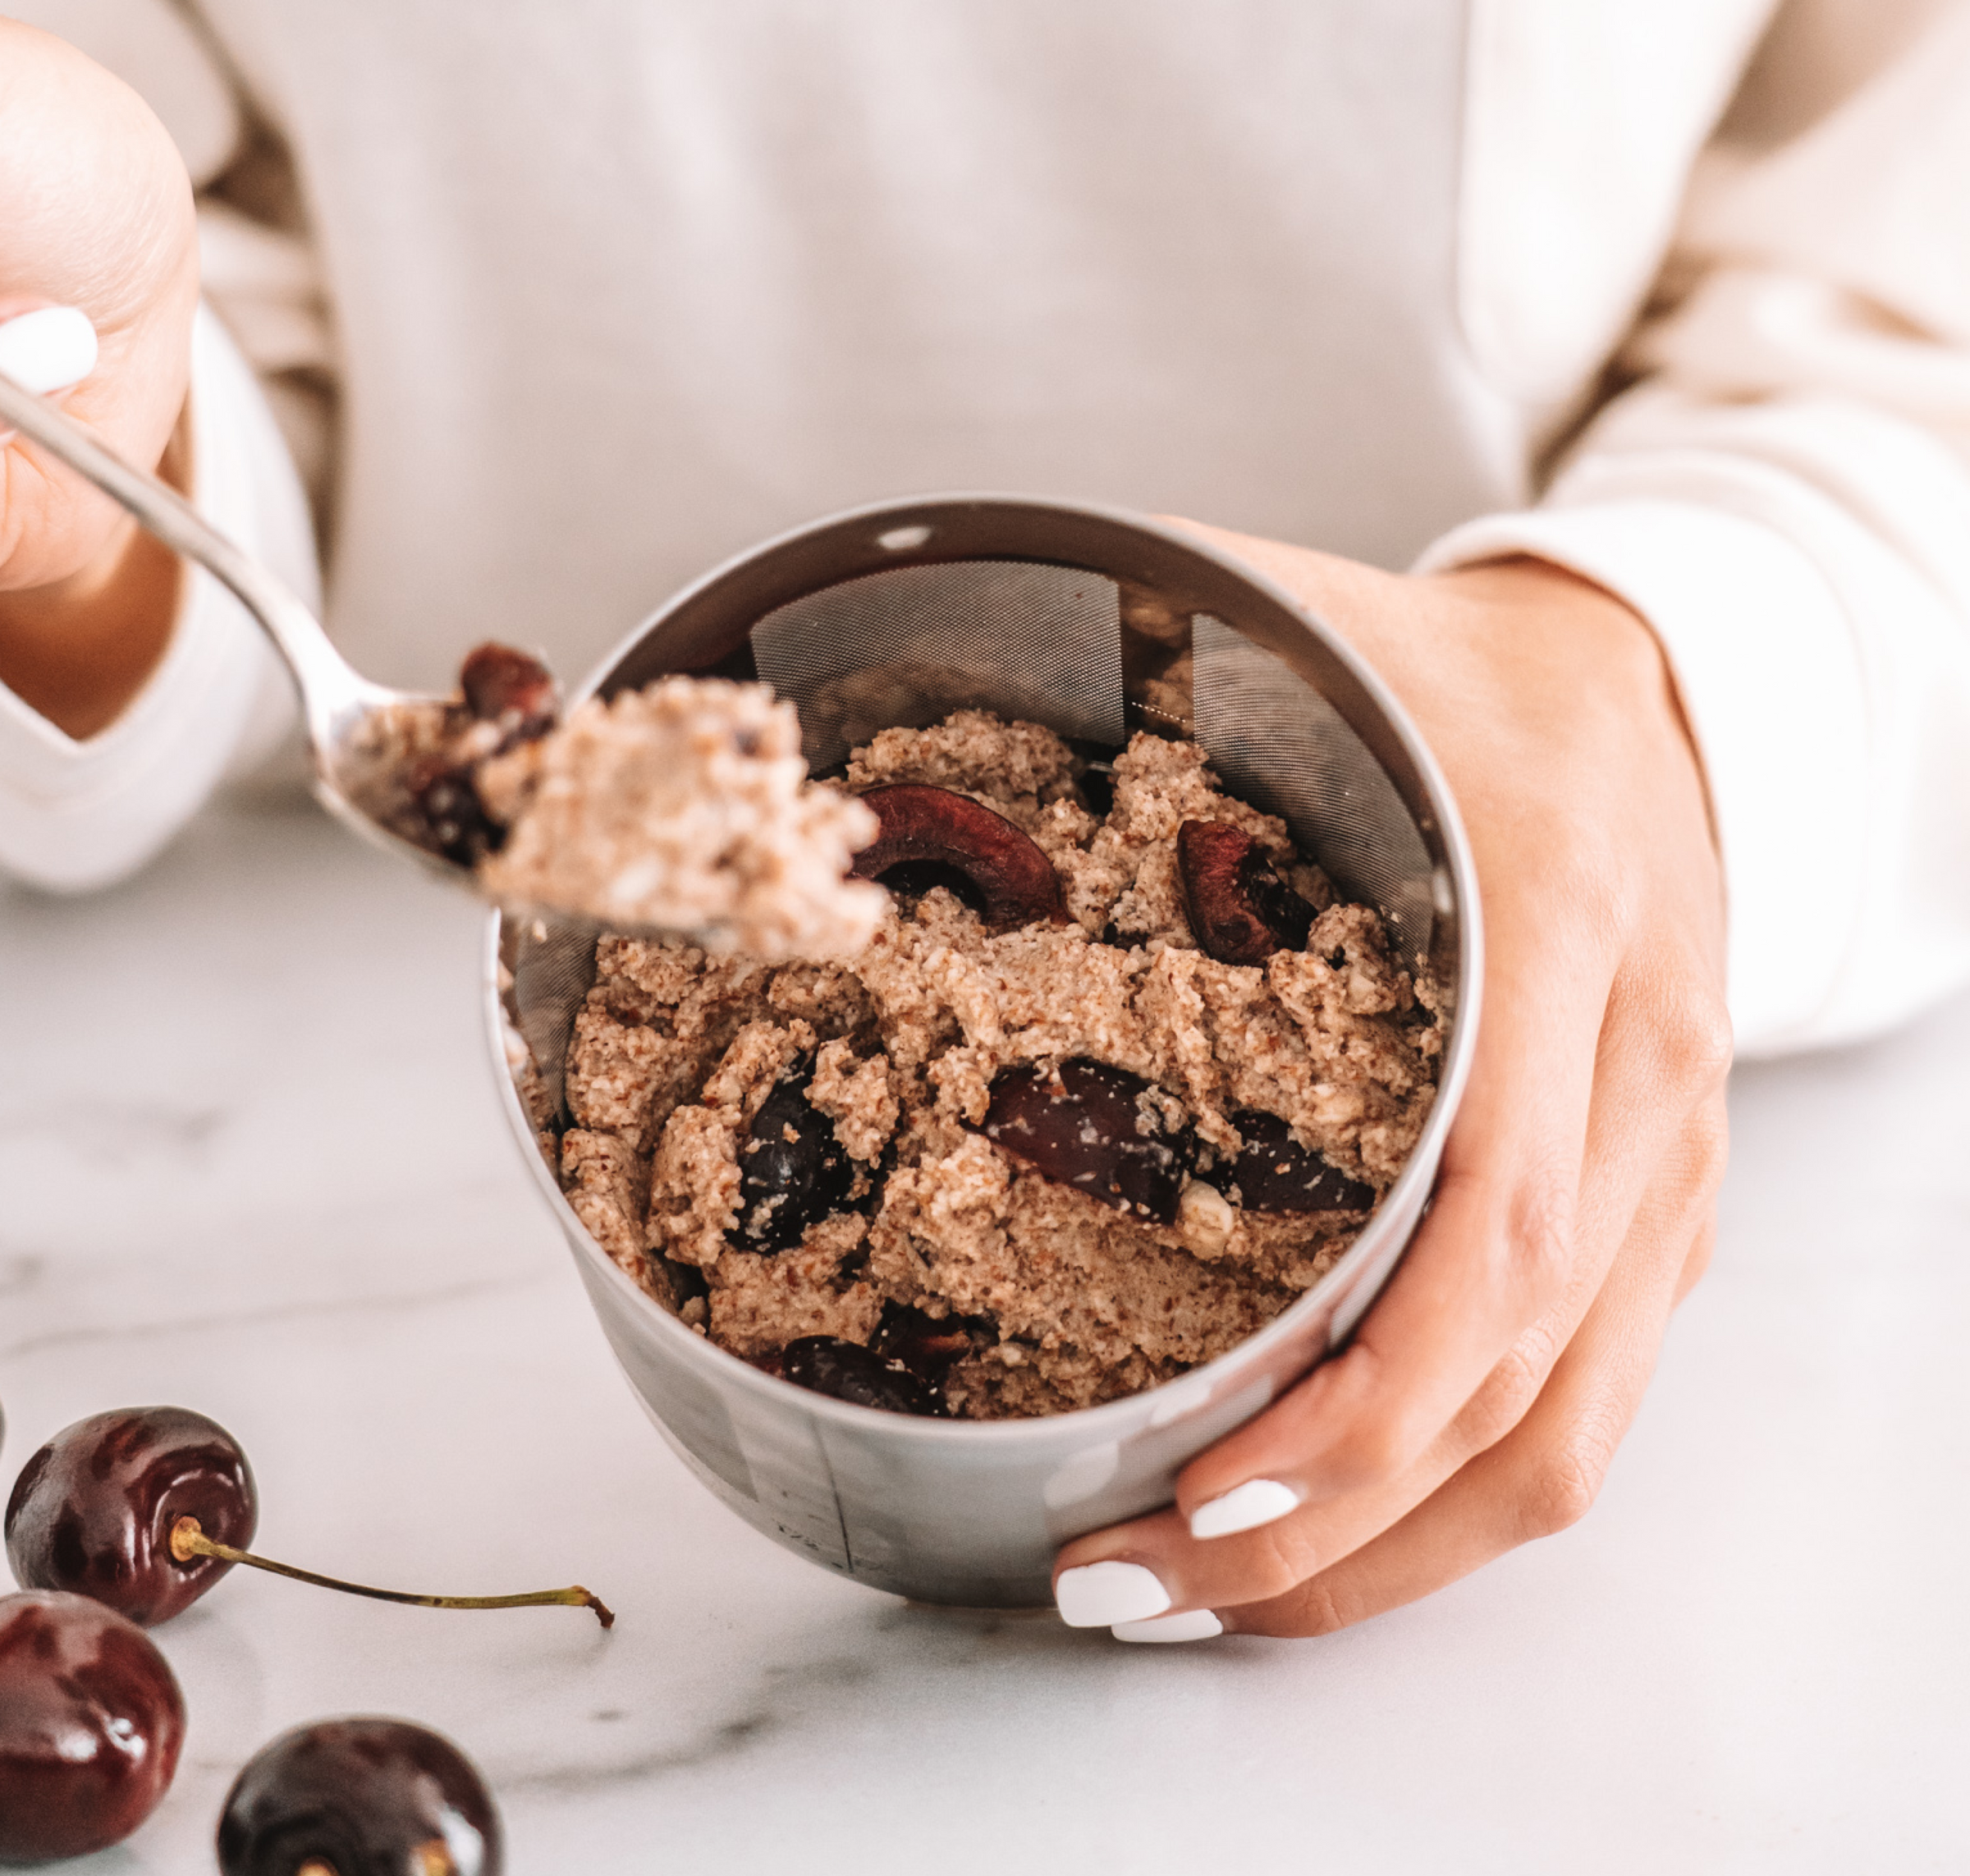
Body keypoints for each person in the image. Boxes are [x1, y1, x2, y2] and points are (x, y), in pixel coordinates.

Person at [2, 1, 1966, 1644]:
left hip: (1538, 880)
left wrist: (1670, 674)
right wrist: (89, 530)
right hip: (259, 966)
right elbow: (168, 296)